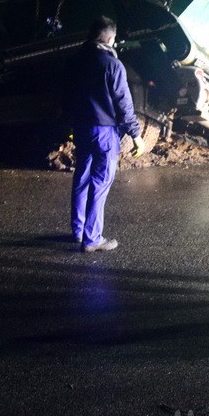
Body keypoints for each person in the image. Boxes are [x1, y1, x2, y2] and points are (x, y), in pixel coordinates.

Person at [62, 16, 146, 253]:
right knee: (100, 182)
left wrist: (70, 124)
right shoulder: (112, 65)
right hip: (104, 131)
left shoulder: (73, 62)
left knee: (82, 178)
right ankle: (93, 238)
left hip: (81, 128)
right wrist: (136, 134)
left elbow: (66, 97)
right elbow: (123, 102)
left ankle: (78, 231)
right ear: (110, 38)